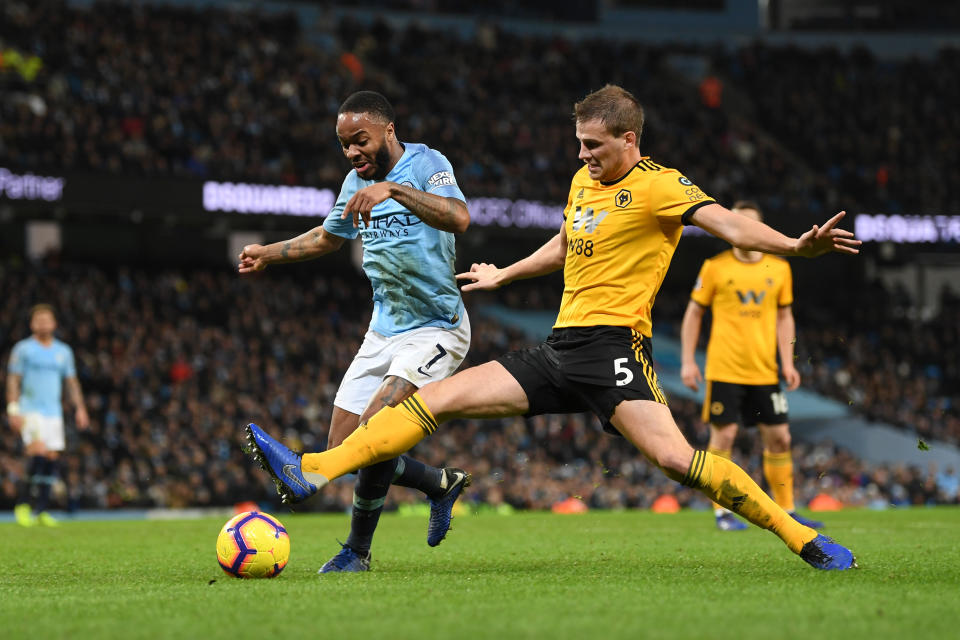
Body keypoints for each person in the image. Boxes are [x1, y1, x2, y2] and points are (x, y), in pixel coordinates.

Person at [246, 85, 861, 570]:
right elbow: (567, 242)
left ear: (629, 139)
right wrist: (506, 276)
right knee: (436, 399)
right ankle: (314, 469)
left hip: (616, 352)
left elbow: (728, 225)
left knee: (677, 461)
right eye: (579, 144)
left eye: (593, 145)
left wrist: (793, 246)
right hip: (561, 348)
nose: (582, 156)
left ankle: (799, 534)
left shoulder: (660, 187)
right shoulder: (582, 183)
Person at [237, 91, 472, 573]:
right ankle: (438, 483)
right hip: (382, 331)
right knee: (349, 450)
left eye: (359, 141)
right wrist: (269, 252)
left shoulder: (428, 163)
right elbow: (328, 236)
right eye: (344, 145)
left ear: (388, 129)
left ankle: (355, 552)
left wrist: (395, 191)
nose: (352, 153)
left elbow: (459, 217)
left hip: (436, 327)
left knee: (372, 433)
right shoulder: (353, 181)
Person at [680, 200, 824, 532]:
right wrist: (688, 361)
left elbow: (785, 316)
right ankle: (722, 512)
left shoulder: (780, 268)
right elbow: (694, 313)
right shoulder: (715, 267)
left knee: (781, 439)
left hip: (764, 371)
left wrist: (788, 361)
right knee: (724, 437)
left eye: (751, 225)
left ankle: (787, 509)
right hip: (725, 369)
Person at [6, 304, 89, 526]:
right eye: (38, 319)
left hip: (54, 412)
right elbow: (13, 379)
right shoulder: (23, 349)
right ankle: (23, 504)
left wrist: (80, 407)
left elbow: (71, 382)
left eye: (46, 319)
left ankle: (41, 509)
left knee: (52, 458)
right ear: (32, 324)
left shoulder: (63, 352)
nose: (43, 323)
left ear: (54, 323)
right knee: (38, 451)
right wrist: (13, 408)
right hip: (30, 409)